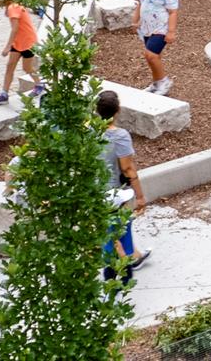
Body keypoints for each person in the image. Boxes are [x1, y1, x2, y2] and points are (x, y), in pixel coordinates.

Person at [95, 91, 149, 282]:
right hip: (114, 193)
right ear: (118, 110)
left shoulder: (88, 132)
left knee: (108, 231)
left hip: (94, 191)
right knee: (120, 229)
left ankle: (121, 267)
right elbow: (127, 168)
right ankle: (120, 273)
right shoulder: (119, 136)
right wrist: (140, 196)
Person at [0, 0, 44, 105]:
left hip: (28, 42)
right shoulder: (12, 6)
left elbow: (15, 28)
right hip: (18, 42)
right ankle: (4, 93)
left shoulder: (13, 7)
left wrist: (7, 46)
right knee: (10, 66)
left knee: (27, 68)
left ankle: (40, 85)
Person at [138, 0, 180, 95]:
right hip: (147, 28)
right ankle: (156, 83)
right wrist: (136, 21)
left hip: (161, 28)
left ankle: (164, 82)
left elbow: (173, 12)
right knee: (152, 57)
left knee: (151, 55)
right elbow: (140, 4)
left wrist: (171, 32)